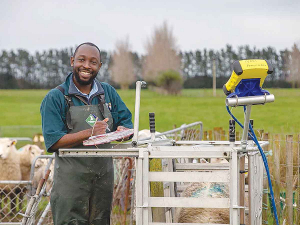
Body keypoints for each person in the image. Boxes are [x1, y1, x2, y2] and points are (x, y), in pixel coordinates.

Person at [40, 42, 133, 225]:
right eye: (81, 60)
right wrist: (89, 133)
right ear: (72, 61)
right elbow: (53, 141)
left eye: (93, 62)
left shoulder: (108, 93)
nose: (87, 66)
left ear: (99, 66)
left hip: (103, 181)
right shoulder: (56, 97)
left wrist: (124, 132)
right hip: (70, 184)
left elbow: (126, 122)